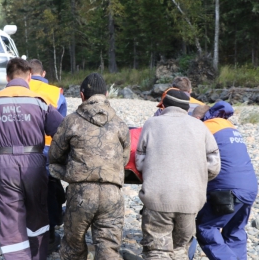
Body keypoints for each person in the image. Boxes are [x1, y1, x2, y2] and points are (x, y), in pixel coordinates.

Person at [0, 57, 64, 260]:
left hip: (3, 166)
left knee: (11, 220)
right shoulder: (40, 102)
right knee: (37, 216)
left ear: (7, 77)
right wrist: (59, 163)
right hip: (34, 165)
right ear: (29, 77)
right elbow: (63, 133)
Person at [48, 73, 131, 260]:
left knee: (73, 247)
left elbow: (54, 156)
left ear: (82, 95)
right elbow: (124, 159)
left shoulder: (71, 121)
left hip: (81, 193)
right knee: (109, 248)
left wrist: (67, 171)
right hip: (112, 193)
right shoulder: (120, 124)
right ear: (107, 94)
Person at [135, 89, 221, 259]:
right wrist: (199, 177)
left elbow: (139, 161)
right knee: (180, 249)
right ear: (186, 108)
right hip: (190, 200)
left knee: (157, 251)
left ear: (164, 106)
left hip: (157, 199)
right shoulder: (200, 127)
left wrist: (154, 169)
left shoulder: (152, 124)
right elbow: (214, 165)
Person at [192, 102, 258, 260]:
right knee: (235, 230)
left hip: (227, 190)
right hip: (250, 187)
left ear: (199, 118)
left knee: (206, 228)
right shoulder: (228, 126)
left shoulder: (204, 128)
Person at [28, 59, 67, 254]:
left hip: (23, 151)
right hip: (48, 151)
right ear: (43, 74)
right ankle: (50, 234)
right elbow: (62, 129)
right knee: (50, 191)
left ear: (28, 73)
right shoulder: (55, 93)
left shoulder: (18, 90)